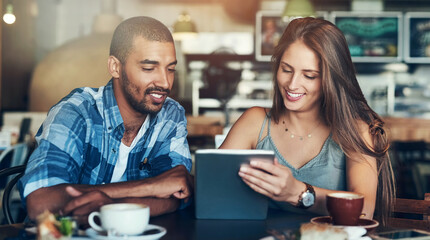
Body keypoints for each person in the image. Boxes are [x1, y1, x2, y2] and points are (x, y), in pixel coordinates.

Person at [18, 16, 193, 225]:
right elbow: (40, 203)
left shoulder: (170, 114)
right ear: (115, 67)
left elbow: (178, 195)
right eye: (148, 68)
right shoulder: (76, 111)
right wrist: (150, 187)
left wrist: (105, 205)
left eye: (170, 69)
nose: (165, 82)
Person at [220, 17, 395, 224]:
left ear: (332, 79)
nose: (292, 84)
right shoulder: (255, 121)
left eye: (309, 76)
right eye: (286, 69)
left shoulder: (355, 130)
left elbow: (364, 212)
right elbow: (213, 185)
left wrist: (299, 193)